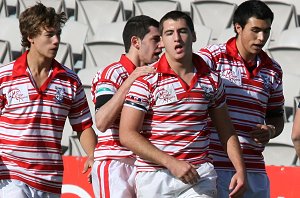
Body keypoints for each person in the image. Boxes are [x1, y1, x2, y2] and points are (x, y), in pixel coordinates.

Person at [119, 10, 246, 198]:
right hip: (155, 177)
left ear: (194, 35)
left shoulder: (211, 79)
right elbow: (127, 134)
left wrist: (240, 169)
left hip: (199, 176)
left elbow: (226, 130)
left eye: (183, 31)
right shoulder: (146, 79)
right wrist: (171, 163)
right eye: (169, 33)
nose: (177, 38)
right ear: (161, 41)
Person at [0, 3, 97, 197]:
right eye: (49, 35)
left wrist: (93, 155)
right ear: (30, 37)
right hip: (11, 176)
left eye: (58, 34)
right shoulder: (4, 76)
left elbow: (83, 126)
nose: (56, 41)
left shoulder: (70, 81)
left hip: (50, 180)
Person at [198, 0, 285, 197]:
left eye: (267, 31)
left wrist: (270, 130)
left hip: (254, 168)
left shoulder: (273, 70)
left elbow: (276, 116)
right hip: (214, 166)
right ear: (238, 27)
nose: (262, 38)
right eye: (255, 30)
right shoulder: (211, 58)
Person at [90, 15, 162, 198]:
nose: (161, 45)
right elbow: (102, 121)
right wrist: (131, 80)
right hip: (116, 164)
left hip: (144, 164)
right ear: (136, 42)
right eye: (155, 39)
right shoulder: (112, 73)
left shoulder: (154, 76)